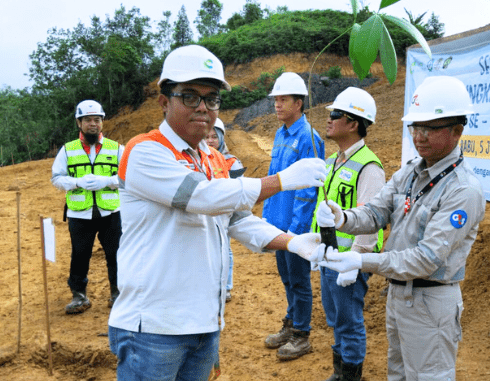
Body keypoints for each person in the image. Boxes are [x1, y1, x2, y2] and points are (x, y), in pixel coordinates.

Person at [107, 45, 326, 381]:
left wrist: (292, 242)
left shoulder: (211, 157)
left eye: (211, 99)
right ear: (164, 101)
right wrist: (281, 181)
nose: (204, 108)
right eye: (190, 96)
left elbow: (236, 218)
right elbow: (201, 197)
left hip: (204, 322)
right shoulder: (145, 151)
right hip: (153, 327)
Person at [315, 76, 486, 380]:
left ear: (457, 130)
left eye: (429, 128)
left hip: (431, 301)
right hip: (399, 296)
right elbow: (375, 212)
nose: (419, 136)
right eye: (415, 127)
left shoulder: (463, 191)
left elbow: (426, 258)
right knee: (398, 374)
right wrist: (343, 217)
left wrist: (362, 260)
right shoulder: (409, 172)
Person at [312, 87, 385, 381]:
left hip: (350, 263)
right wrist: (318, 247)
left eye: (335, 114)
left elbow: (370, 222)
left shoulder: (369, 166)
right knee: (336, 319)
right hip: (330, 257)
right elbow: (323, 211)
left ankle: (351, 375)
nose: (328, 119)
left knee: (349, 322)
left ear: (353, 123)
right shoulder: (332, 162)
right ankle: (340, 371)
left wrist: (355, 260)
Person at [262, 71, 325, 361]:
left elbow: (309, 188)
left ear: (299, 103)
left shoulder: (308, 138)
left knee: (299, 280)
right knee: (287, 278)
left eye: (283, 99)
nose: (277, 104)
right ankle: (291, 323)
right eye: (275, 99)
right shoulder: (279, 134)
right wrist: (267, 216)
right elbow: (273, 177)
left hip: (295, 227)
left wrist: (297, 229)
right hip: (277, 223)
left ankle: (301, 334)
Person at [51, 100, 124, 314]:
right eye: (88, 120)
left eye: (97, 120)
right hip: (79, 213)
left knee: (116, 254)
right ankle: (79, 296)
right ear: (79, 123)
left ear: (102, 122)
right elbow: (56, 178)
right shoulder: (67, 150)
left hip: (110, 211)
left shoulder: (117, 148)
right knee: (80, 255)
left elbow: (128, 175)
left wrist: (108, 181)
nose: (93, 124)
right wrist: (76, 183)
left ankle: (117, 294)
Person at [205, 117, 245, 303]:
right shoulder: (199, 159)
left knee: (225, 249)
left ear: (221, 138)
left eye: (214, 136)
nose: (210, 140)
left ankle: (226, 286)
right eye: (207, 136)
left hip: (224, 213)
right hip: (204, 213)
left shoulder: (231, 161)